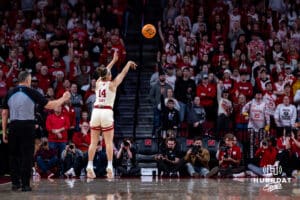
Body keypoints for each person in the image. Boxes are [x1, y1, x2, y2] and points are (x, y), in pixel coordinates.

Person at [1, 71, 70, 192]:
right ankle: (25, 185)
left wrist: (4, 130)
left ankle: (15, 184)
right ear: (27, 80)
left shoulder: (10, 92)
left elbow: (4, 113)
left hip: (13, 126)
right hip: (27, 126)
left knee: (14, 156)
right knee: (27, 156)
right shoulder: (31, 92)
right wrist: (63, 98)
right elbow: (49, 105)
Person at [86, 52, 137, 179]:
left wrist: (114, 61)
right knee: (108, 142)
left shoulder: (98, 82)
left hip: (96, 111)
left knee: (93, 142)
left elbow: (104, 71)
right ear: (108, 76)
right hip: (107, 112)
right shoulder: (112, 84)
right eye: (110, 73)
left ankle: (89, 165)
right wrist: (128, 63)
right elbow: (123, 74)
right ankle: (109, 166)